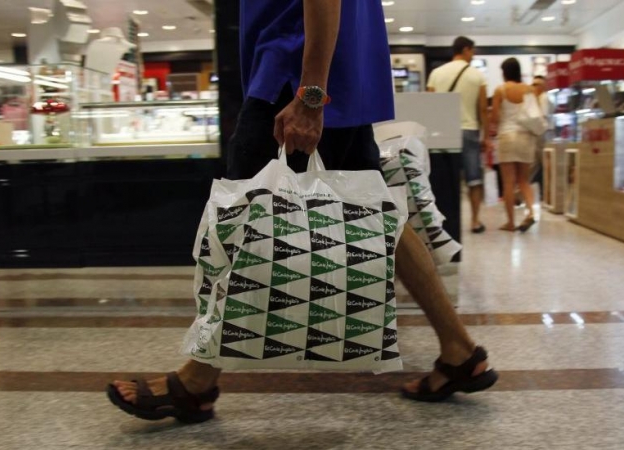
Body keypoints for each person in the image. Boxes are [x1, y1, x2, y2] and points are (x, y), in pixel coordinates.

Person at [108, 0, 498, 424]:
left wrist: (310, 95)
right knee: (375, 212)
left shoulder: (302, 85)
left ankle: (197, 382)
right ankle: (459, 350)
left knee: (244, 220)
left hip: (293, 73)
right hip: (331, 73)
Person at [426, 36, 489, 234]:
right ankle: (475, 220)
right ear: (466, 49)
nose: (474, 55)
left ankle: (444, 219)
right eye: (473, 51)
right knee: (473, 178)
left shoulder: (436, 73)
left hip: (443, 131)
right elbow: (482, 110)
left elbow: (430, 105)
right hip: (469, 130)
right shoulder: (478, 76)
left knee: (444, 180)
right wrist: (485, 136)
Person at [491, 58, 537, 232]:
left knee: (508, 182)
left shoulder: (500, 90)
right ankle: (531, 212)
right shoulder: (529, 90)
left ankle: (510, 223)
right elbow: (534, 113)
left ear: (504, 72)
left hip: (507, 137)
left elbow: (495, 118)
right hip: (526, 137)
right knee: (524, 180)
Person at [529, 75, 550, 200]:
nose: (534, 87)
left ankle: (545, 194)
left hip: (541, 136)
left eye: (537, 85)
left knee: (542, 165)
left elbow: (541, 117)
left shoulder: (543, 98)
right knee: (535, 165)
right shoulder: (535, 99)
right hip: (536, 137)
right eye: (533, 84)